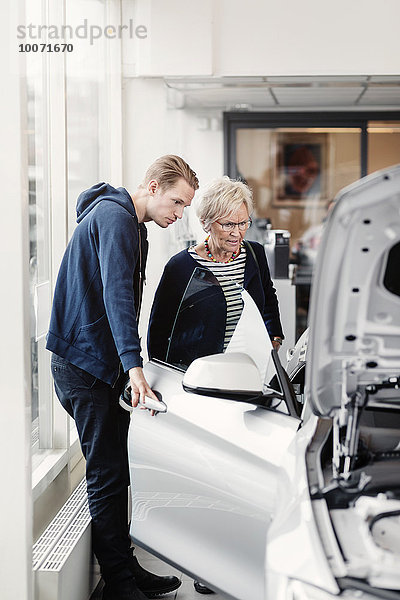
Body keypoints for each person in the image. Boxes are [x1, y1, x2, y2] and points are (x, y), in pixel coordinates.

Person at [46, 155, 199, 600]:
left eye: (186, 206)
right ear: (152, 187)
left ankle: (126, 567)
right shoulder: (114, 218)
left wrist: (131, 365)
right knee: (107, 473)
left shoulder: (135, 228)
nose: (179, 213)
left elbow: (126, 303)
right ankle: (118, 581)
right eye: (176, 202)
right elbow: (116, 296)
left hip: (101, 365)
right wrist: (135, 368)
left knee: (118, 471)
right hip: (83, 367)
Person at [147, 176, 284, 594]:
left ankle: (241, 555)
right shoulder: (181, 268)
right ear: (207, 223)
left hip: (250, 377)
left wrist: (275, 337)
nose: (237, 234)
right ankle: (208, 565)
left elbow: (269, 302)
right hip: (202, 382)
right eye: (228, 226)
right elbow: (158, 332)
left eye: (243, 223)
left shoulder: (255, 255)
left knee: (243, 473)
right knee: (207, 476)